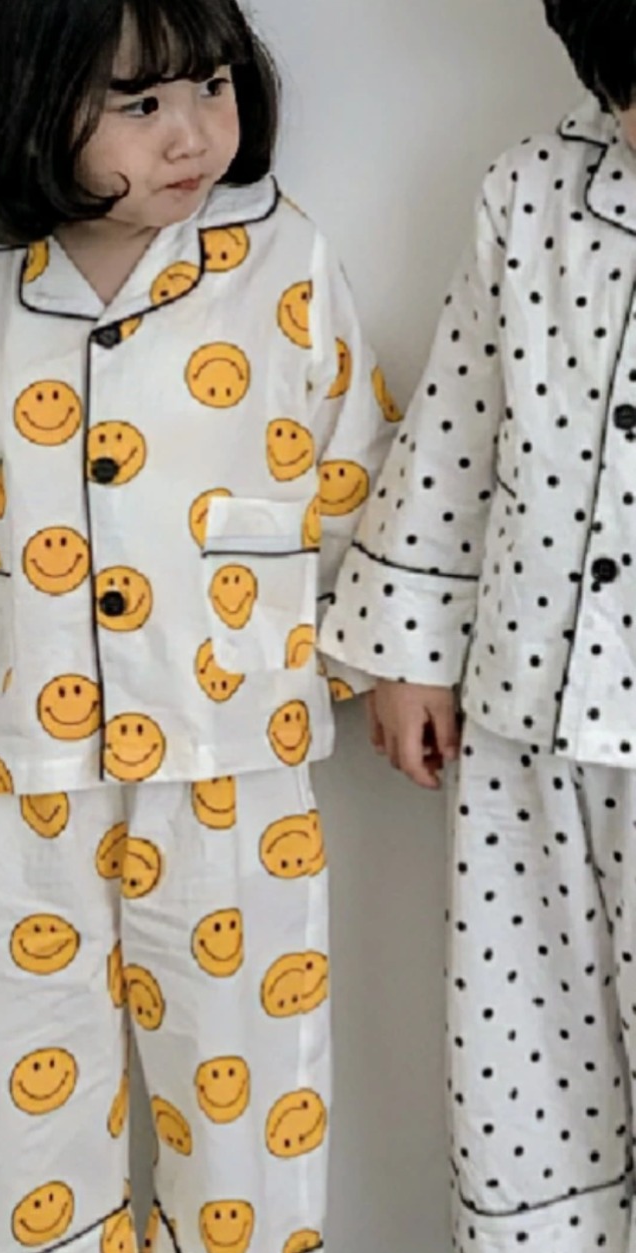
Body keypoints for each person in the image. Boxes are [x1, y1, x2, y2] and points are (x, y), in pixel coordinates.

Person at [0, 0, 397, 1247]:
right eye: (138, 104)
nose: (190, 133)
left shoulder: (282, 258)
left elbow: (352, 461)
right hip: (23, 747)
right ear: (21, 101)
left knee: (244, 1075)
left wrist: (382, 658)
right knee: (15, 1068)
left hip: (231, 748)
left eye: (211, 85)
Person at [321, 3, 636, 1249]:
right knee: (531, 1071)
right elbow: (459, 420)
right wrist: (405, 645)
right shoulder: (530, 190)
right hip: (526, 722)